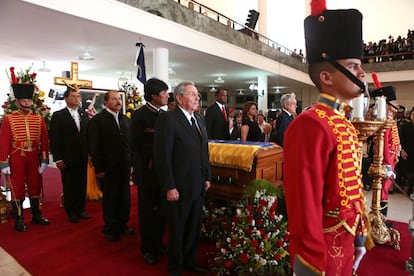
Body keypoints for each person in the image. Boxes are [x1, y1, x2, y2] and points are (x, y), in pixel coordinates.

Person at [283, 5, 369, 275]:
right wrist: (308, 264)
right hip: (321, 246)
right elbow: (304, 204)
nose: (362, 74)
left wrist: (358, 236)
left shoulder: (342, 121)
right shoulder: (309, 124)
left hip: (344, 238)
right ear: (326, 76)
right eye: (353, 66)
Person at [154, 81, 211, 276]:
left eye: (197, 94)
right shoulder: (168, 119)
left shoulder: (200, 120)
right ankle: (176, 266)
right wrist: (169, 186)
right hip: (178, 186)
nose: (197, 98)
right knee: (178, 229)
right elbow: (163, 156)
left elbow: (205, 151)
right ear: (179, 98)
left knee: (193, 228)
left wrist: (207, 176)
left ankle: (189, 261)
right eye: (192, 94)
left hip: (198, 184)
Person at [0, 83, 50, 232]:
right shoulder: (9, 119)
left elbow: (44, 141)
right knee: (18, 188)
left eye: (29, 100)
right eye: (24, 100)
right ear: (17, 102)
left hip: (34, 156)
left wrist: (45, 159)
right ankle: (19, 219)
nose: (27, 103)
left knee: (35, 185)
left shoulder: (39, 119)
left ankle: (36, 215)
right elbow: (4, 141)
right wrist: (4, 162)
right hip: (17, 156)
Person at [130, 78, 169, 264]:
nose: (167, 96)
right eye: (164, 93)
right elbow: (136, 144)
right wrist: (160, 149)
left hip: (162, 172)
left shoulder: (165, 115)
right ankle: (147, 248)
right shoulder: (139, 115)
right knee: (147, 212)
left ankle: (158, 242)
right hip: (147, 171)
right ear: (154, 96)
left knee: (162, 211)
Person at [88, 90, 133, 242]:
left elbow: (129, 144)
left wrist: (132, 163)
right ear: (106, 102)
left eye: (119, 98)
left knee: (124, 196)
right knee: (111, 197)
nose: (118, 101)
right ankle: (110, 228)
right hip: (108, 167)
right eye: (114, 99)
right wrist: (99, 169)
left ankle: (122, 224)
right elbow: (94, 146)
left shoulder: (125, 119)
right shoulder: (98, 120)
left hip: (124, 165)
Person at [49, 86, 91, 224]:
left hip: (82, 156)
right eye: (73, 96)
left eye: (78, 96)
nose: (76, 98)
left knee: (81, 184)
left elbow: (87, 136)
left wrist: (90, 154)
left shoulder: (83, 115)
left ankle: (81, 209)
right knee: (69, 185)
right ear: (66, 98)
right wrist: (58, 158)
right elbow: (55, 139)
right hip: (67, 158)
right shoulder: (58, 115)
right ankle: (71, 211)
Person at [371, 86, 401, 216]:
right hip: (386, 160)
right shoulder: (386, 122)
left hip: (392, 158)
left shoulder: (391, 121)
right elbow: (383, 145)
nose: (397, 105)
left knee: (385, 189)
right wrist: (388, 164)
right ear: (388, 105)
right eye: (394, 103)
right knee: (382, 190)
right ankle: (381, 217)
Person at [400, 108, 414, 194]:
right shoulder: (405, 126)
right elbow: (400, 139)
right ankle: (409, 189)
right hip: (407, 153)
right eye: (413, 115)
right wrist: (402, 150)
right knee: (409, 173)